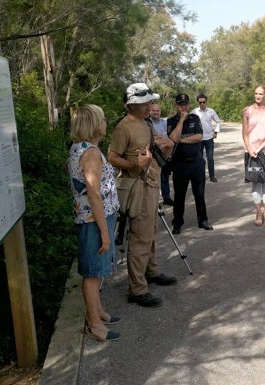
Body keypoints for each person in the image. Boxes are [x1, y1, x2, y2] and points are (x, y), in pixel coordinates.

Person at [108, 83, 177, 308]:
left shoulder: (146, 123)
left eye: (149, 102)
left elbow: (158, 150)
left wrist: (168, 144)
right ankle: (137, 289)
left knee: (151, 231)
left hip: (151, 185)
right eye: (145, 103)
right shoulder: (124, 127)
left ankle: (152, 271)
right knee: (140, 236)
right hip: (137, 187)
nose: (150, 106)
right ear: (133, 105)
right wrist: (134, 164)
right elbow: (112, 157)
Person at [67, 104, 120, 341]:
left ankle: (98, 311)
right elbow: (94, 192)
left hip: (92, 217)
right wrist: (105, 233)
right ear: (94, 123)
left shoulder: (80, 148)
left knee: (96, 270)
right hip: (93, 220)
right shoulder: (89, 153)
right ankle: (94, 322)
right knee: (92, 272)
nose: (106, 122)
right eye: (103, 119)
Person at [167, 93, 213, 234]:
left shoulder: (195, 118)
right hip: (180, 164)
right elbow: (172, 138)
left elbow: (199, 137)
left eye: (186, 104)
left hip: (196, 162)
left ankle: (203, 220)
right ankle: (177, 223)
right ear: (177, 105)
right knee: (179, 196)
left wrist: (180, 139)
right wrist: (181, 120)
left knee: (199, 194)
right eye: (181, 104)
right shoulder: (171, 120)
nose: (184, 107)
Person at [242, 84, 265, 226]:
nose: (258, 96)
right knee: (256, 180)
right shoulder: (247, 111)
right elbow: (244, 133)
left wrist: (260, 147)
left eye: (261, 94)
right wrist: (250, 148)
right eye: (256, 93)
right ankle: (258, 212)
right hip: (251, 152)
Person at [192, 93, 221, 182]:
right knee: (199, 159)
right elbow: (190, 123)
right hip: (199, 139)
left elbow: (218, 121)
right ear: (198, 102)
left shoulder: (211, 111)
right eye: (200, 102)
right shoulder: (194, 112)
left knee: (210, 158)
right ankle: (200, 176)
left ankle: (212, 176)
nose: (202, 104)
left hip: (209, 138)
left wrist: (216, 131)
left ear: (206, 101)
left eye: (203, 102)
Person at [149, 103, 173, 206]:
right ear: (150, 111)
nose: (156, 112)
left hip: (165, 154)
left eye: (157, 110)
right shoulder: (148, 123)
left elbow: (169, 136)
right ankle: (154, 200)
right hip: (154, 155)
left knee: (165, 177)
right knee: (154, 179)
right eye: (153, 110)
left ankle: (166, 197)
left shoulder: (165, 123)